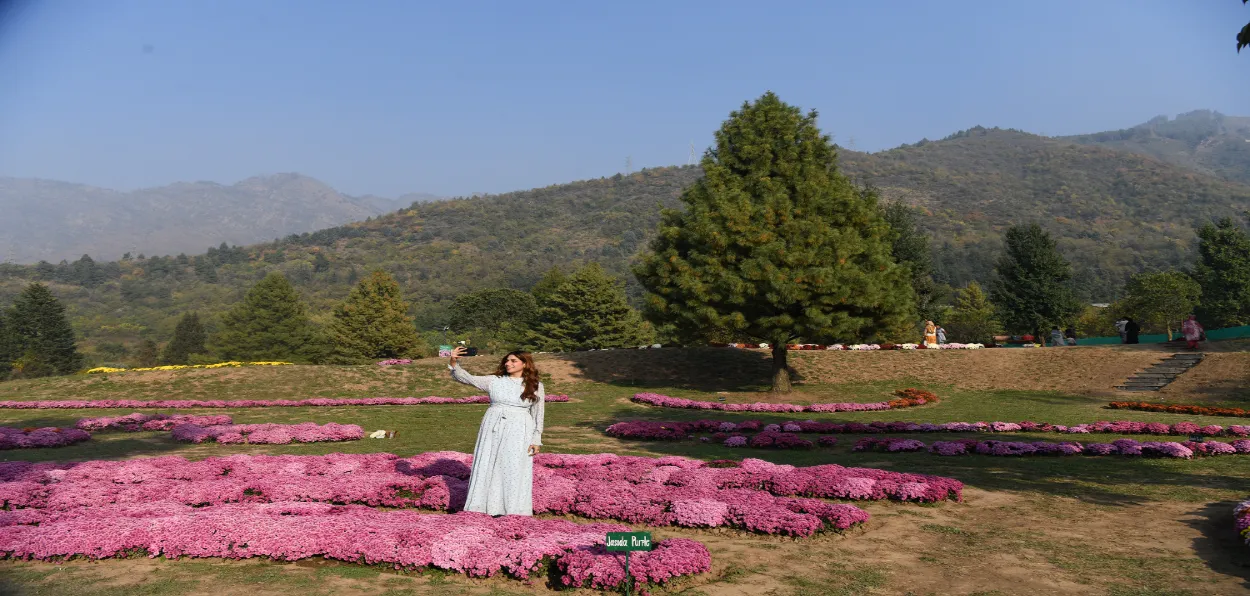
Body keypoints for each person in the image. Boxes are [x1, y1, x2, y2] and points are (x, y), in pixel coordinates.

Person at [448, 346, 545, 516]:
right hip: (493, 426)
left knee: (514, 466)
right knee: (488, 462)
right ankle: (482, 507)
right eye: (507, 360)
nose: (508, 363)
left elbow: (538, 414)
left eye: (513, 361)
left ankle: (513, 510)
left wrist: (536, 439)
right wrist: (454, 361)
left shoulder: (535, 385)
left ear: (524, 364)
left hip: (520, 428)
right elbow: (467, 378)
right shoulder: (495, 380)